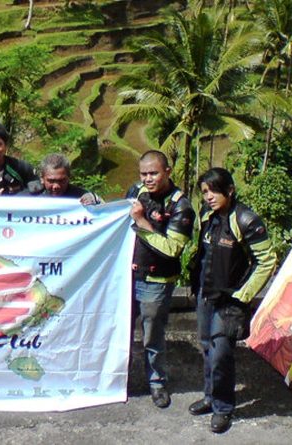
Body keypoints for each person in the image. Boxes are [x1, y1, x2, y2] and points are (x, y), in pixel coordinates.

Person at [189, 168, 276, 433]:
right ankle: (210, 396)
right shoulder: (207, 215)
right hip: (206, 293)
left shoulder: (246, 219)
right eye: (205, 192)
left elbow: (267, 260)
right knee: (207, 348)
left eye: (214, 191)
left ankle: (223, 409)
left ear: (230, 190)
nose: (209, 197)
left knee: (221, 355)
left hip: (229, 300)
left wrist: (243, 295)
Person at [126, 150, 194, 409]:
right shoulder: (136, 191)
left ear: (167, 171)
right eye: (144, 174)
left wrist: (141, 221)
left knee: (152, 335)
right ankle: (119, 378)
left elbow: (171, 248)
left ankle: (157, 382)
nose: (148, 179)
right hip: (127, 276)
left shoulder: (181, 206)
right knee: (121, 331)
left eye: (153, 173)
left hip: (156, 280)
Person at [20, 153, 104, 204]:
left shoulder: (82, 198)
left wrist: (96, 200)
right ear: (42, 178)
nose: (56, 186)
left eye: (61, 181)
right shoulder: (27, 198)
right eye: (51, 181)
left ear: (69, 177)